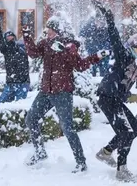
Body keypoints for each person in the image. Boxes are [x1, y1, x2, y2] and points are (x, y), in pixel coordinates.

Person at [24, 16, 104, 173]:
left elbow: (80, 65)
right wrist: (27, 36)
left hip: (62, 92)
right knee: (31, 119)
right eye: (47, 29)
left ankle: (81, 162)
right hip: (46, 91)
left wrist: (95, 57)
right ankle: (40, 152)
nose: (47, 32)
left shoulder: (69, 45)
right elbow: (33, 53)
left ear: (57, 31)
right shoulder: (46, 43)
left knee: (67, 128)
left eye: (50, 30)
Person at [92, 2, 137, 182]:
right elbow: (115, 38)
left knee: (136, 128)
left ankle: (106, 152)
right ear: (130, 49)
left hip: (116, 100)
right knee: (126, 132)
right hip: (107, 96)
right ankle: (122, 169)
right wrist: (109, 19)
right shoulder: (123, 56)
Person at [0, 24, 30, 103]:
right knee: (2, 104)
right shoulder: (6, 49)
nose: (10, 38)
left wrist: (26, 34)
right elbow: (1, 44)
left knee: (19, 104)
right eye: (8, 37)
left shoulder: (22, 47)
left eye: (11, 37)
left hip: (23, 82)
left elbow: (30, 47)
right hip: (11, 82)